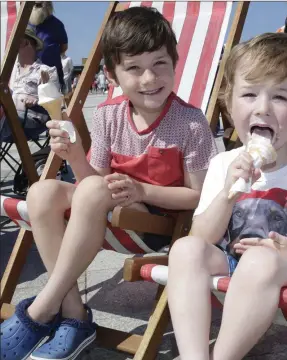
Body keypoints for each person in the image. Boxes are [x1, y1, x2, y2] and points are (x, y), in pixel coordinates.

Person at [0, 7, 218, 360]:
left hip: (157, 221)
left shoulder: (189, 123)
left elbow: (198, 196)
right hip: (109, 207)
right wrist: (74, 158)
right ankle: (73, 315)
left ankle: (42, 310)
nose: (149, 78)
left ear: (174, 63)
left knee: (90, 189)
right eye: (133, 68)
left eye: (160, 64)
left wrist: (144, 190)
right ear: (111, 73)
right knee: (41, 192)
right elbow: (93, 182)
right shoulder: (108, 115)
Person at [167, 32, 287, 360]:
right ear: (229, 102)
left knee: (260, 260)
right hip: (233, 266)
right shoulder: (223, 162)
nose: (263, 108)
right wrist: (228, 193)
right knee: (185, 249)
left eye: (280, 97)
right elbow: (202, 237)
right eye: (250, 94)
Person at [0, 27, 59, 143]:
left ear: (25, 42)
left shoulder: (46, 71)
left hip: (28, 120)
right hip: (7, 116)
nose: (9, 45)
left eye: (14, 41)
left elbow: (55, 104)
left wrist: (37, 102)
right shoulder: (9, 71)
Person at [29, 1, 68, 89]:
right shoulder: (25, 23)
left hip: (52, 75)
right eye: (34, 4)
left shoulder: (57, 24)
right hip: (30, 77)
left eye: (39, 5)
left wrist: (50, 54)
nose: (36, 7)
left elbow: (64, 47)